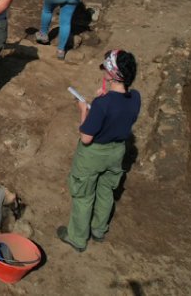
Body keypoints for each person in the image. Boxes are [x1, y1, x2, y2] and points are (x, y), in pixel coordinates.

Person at [57, 49, 140, 253]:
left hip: (93, 154)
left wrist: (84, 111)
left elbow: (86, 138)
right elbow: (122, 115)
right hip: (117, 152)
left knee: (84, 194)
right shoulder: (135, 97)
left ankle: (77, 237)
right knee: (106, 191)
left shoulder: (102, 104)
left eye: (106, 68)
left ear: (112, 74)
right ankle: (99, 229)